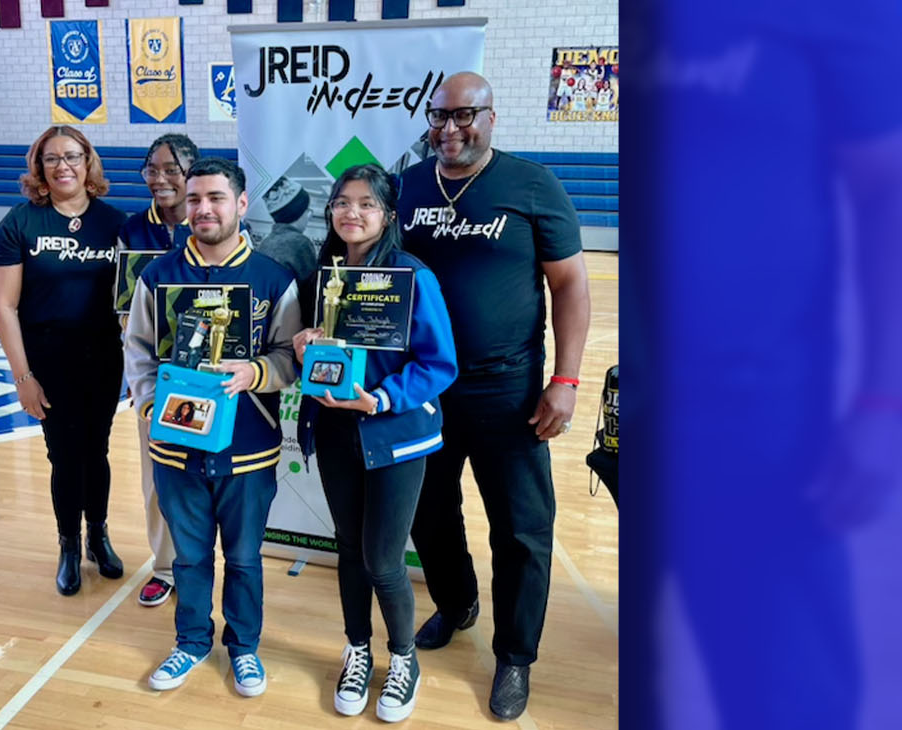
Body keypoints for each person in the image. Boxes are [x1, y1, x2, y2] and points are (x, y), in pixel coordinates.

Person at [397, 72, 591, 721]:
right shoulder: (410, 184)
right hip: (426, 384)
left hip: (509, 390)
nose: (450, 129)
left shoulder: (532, 184)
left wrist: (565, 381)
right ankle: (457, 603)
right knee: (428, 512)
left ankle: (515, 654)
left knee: (523, 529)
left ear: (491, 116)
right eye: (440, 116)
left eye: (464, 116)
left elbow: (569, 286)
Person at [124, 156, 302, 697]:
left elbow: (290, 359)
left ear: (241, 204)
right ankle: (192, 642)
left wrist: (257, 371)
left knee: (245, 558)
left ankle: (243, 648)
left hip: (248, 447)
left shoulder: (273, 278)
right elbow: (137, 350)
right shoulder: (158, 276)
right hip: (177, 446)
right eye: (195, 198)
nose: (204, 209)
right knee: (190, 556)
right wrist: (151, 403)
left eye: (216, 198)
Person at [290, 164, 458, 722]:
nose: (351, 213)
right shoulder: (325, 275)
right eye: (341, 202)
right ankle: (357, 648)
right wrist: (304, 344)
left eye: (365, 204)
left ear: (387, 215)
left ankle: (403, 657)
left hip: (394, 435)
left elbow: (440, 364)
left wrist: (379, 400)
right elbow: (325, 358)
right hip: (337, 433)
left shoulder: (413, 276)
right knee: (348, 548)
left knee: (384, 559)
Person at [0, 125, 129, 597]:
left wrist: (136, 364)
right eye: (51, 158)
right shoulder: (20, 223)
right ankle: (68, 545)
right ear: (38, 167)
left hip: (103, 358)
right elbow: (4, 306)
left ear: (88, 162)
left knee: (98, 451)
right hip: (49, 361)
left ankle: (98, 534)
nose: (63, 165)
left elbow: (131, 304)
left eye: (72, 156)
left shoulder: (115, 223)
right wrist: (23, 376)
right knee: (65, 456)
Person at [118, 133, 200, 608]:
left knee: (213, 477)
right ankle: (166, 566)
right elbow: (125, 312)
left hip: (213, 376)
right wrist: (139, 377)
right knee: (157, 478)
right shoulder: (132, 231)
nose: (161, 178)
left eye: (173, 169)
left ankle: (219, 564)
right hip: (156, 379)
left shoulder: (214, 221)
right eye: (153, 168)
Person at [255, 176, 320, 282]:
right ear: (298, 213)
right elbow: (311, 287)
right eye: (307, 210)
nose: (309, 216)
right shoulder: (300, 243)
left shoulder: (265, 243)